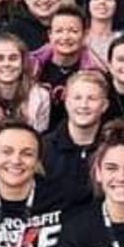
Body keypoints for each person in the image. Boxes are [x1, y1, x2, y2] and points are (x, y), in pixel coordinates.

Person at [40, 71, 111, 201]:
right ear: (66, 102)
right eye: (77, 98)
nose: (84, 105)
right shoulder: (43, 148)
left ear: (104, 106)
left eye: (92, 99)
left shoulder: (114, 148)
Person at [29, 5, 103, 129]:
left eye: (73, 31)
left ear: (85, 35)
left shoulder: (94, 74)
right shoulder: (31, 67)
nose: (66, 37)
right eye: (59, 31)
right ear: (50, 35)